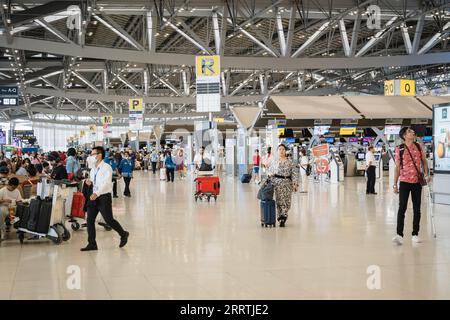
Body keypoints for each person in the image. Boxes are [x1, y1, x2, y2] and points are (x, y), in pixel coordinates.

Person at [80, 147, 129, 251]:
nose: (91, 156)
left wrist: (97, 193)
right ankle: (92, 244)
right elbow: (95, 181)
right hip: (94, 196)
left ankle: (123, 234)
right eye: (91, 154)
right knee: (90, 220)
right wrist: (90, 182)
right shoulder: (93, 168)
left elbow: (106, 183)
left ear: (100, 155)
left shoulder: (106, 167)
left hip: (103, 197)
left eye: (93, 154)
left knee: (109, 220)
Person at [392, 127, 429, 245]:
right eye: (409, 131)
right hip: (404, 182)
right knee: (402, 207)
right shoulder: (399, 149)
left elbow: (424, 160)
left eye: (412, 131)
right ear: (404, 136)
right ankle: (399, 235)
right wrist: (394, 184)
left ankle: (415, 234)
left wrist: (427, 174)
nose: (412, 132)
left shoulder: (418, 147)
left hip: (417, 182)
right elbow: (397, 167)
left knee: (417, 209)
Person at [268, 144, 299, 227]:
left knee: (287, 201)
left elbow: (294, 173)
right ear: (277, 151)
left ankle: (284, 213)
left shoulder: (290, 162)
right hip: (277, 183)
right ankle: (282, 217)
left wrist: (295, 184)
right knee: (279, 201)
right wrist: (270, 175)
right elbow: (270, 171)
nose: (281, 151)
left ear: (285, 151)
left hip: (288, 183)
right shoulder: (274, 161)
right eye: (280, 149)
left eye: (283, 149)